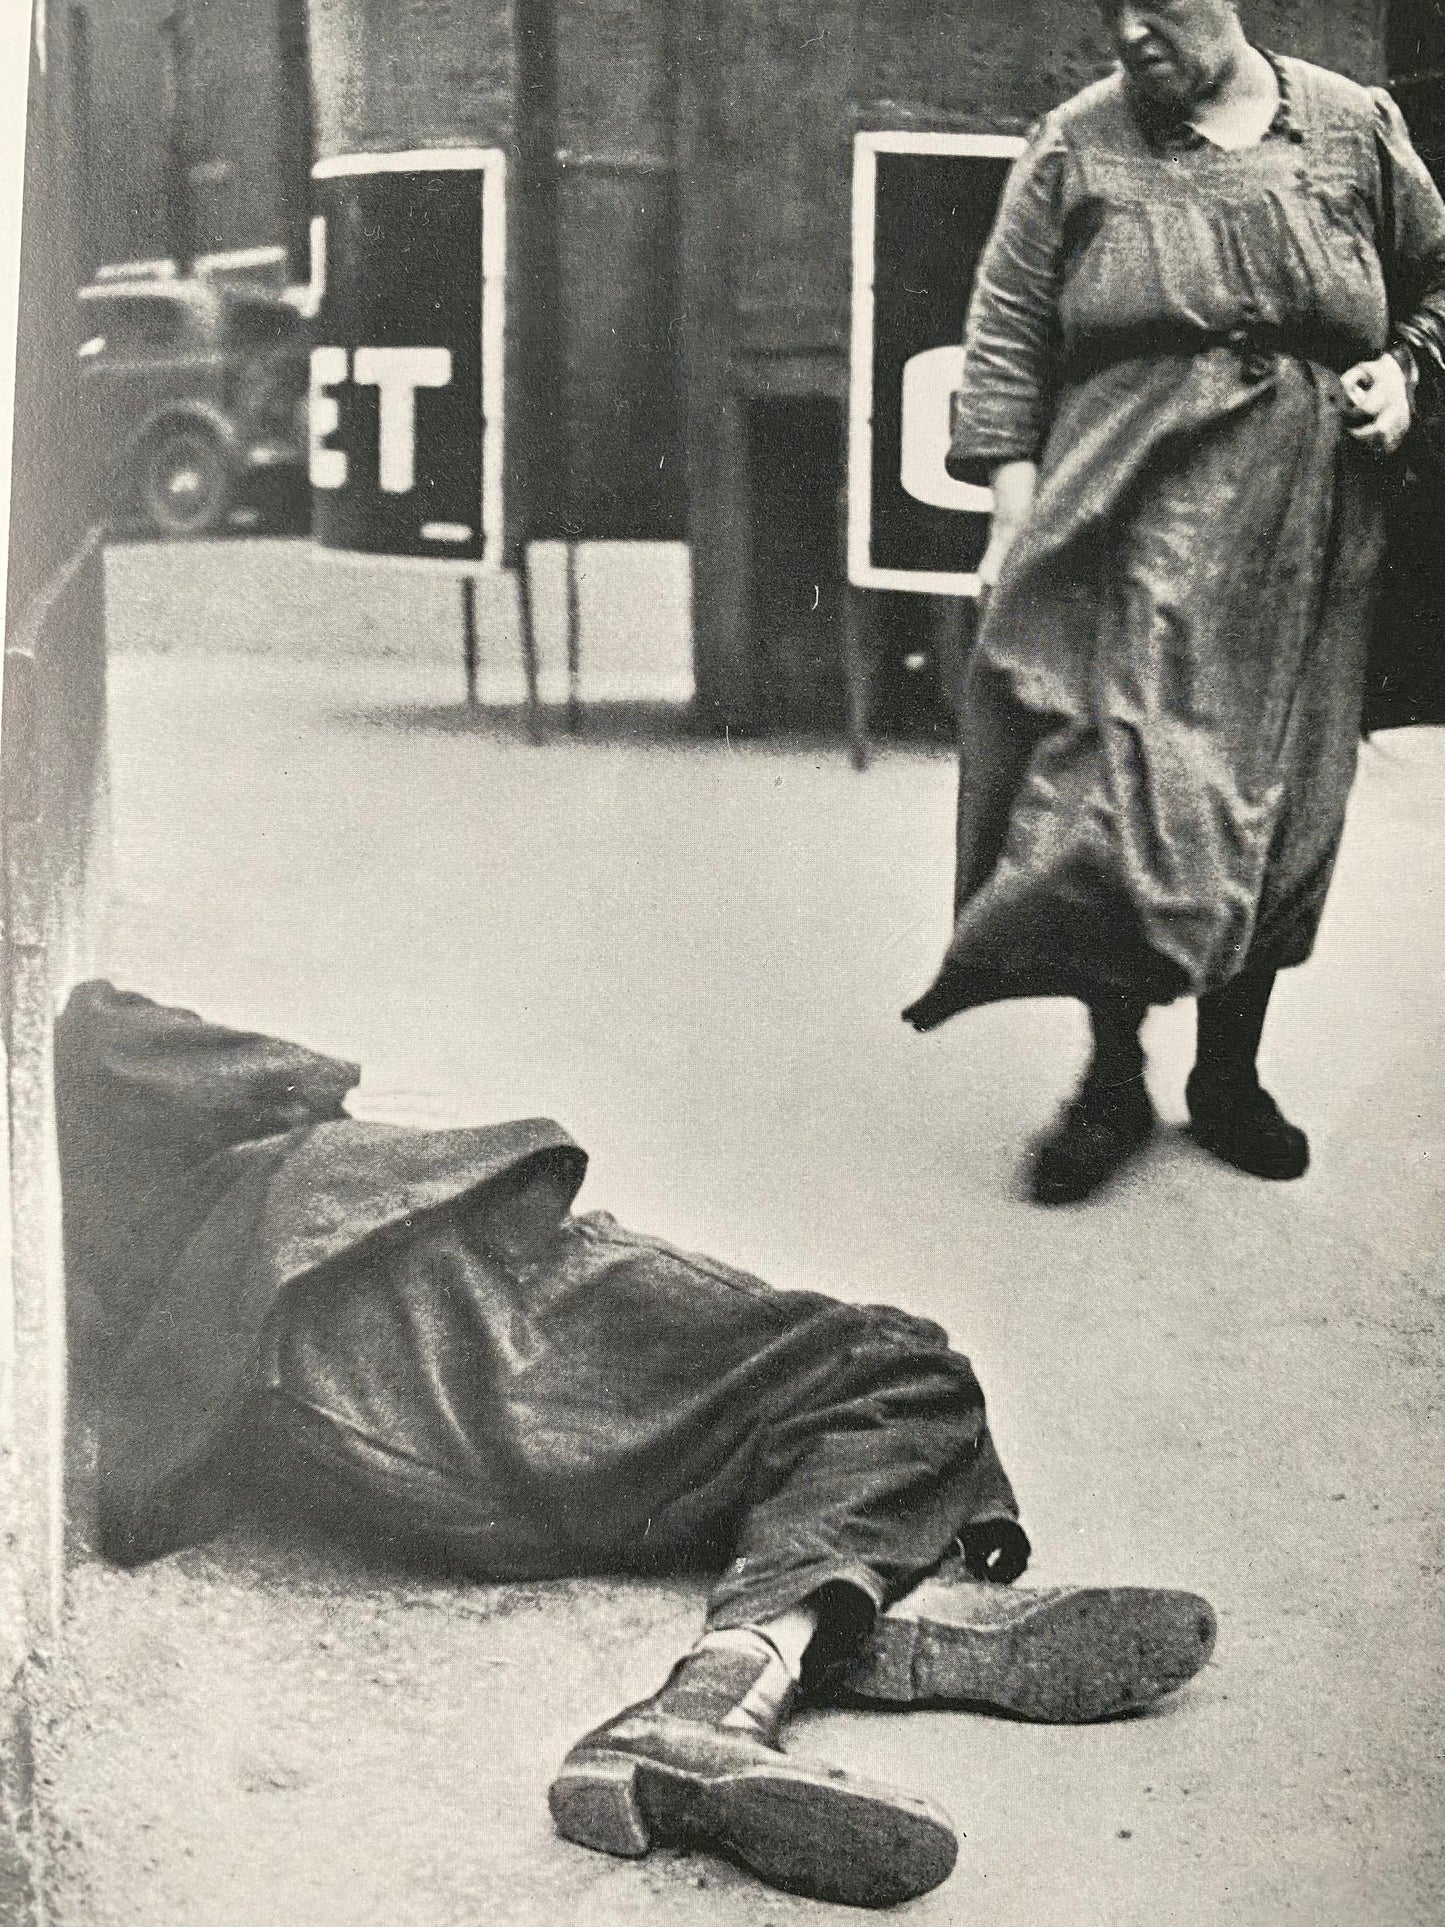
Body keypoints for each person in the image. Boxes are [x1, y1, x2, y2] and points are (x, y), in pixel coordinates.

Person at [58, 982, 1216, 1909]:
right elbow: (203, 1058)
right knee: (892, 1366)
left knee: (778, 1423)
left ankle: (841, 1617)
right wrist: (326, 1099)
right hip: (416, 1296)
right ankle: (723, 1690)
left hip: (398, 1422)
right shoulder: (116, 1068)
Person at [904, 0, 1445, 1205]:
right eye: (1111, 9)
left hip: (1305, 524)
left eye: (1155, 2)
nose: (1130, 30)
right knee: (1122, 795)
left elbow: (1437, 280)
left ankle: (1227, 1073)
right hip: (1124, 505)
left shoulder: (1351, 127)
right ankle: (1111, 1078)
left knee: (1277, 800)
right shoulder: (1075, 140)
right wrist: (1009, 517)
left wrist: (1403, 369)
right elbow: (1004, 328)